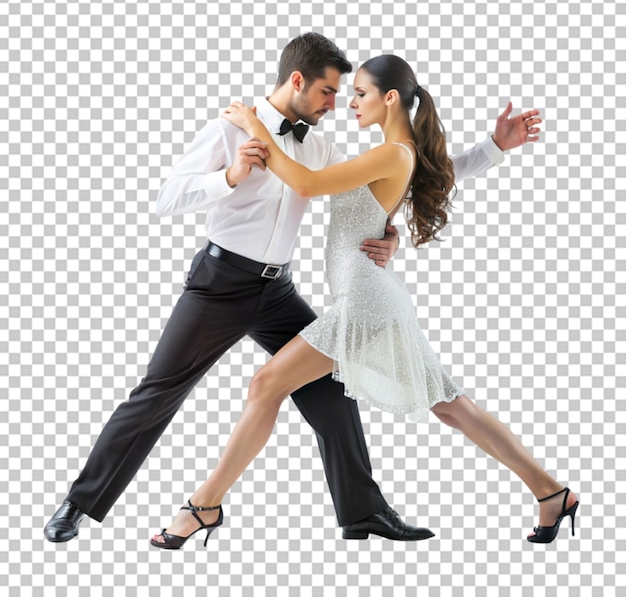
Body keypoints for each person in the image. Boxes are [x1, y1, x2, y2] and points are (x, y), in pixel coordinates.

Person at [44, 33, 534, 545]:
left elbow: (406, 173)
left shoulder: (318, 145)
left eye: (345, 93)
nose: (336, 103)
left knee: (331, 391)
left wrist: (489, 152)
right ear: (297, 80)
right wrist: (229, 177)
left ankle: (362, 511)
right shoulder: (230, 129)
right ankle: (79, 504)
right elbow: (167, 198)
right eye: (327, 91)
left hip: (278, 290)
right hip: (219, 286)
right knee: (158, 392)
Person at [150, 54, 577, 549]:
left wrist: (253, 124)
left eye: (359, 94)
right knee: (451, 406)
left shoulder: (395, 153)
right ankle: (552, 493)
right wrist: (495, 148)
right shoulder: (394, 152)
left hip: (364, 303)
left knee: (266, 385)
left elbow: (306, 183)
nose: (349, 104)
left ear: (389, 98)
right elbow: (441, 173)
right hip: (373, 299)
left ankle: (203, 506)